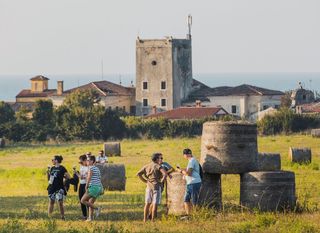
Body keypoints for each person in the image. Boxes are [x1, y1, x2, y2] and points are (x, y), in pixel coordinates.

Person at [137, 153, 169, 222]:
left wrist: (145, 181)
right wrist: (161, 181)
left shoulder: (147, 166)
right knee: (155, 204)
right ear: (156, 159)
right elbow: (165, 174)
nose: (161, 159)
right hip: (157, 187)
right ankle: (152, 220)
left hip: (148, 186)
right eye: (160, 158)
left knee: (147, 204)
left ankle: (144, 219)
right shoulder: (158, 166)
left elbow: (138, 174)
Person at [176, 148, 202, 217]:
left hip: (194, 182)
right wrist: (182, 169)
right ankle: (189, 215)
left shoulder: (192, 161)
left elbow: (189, 173)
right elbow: (191, 170)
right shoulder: (192, 160)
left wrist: (180, 171)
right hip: (190, 183)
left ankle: (197, 215)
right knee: (186, 200)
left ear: (185, 155)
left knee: (194, 201)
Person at [47, 155, 71, 220]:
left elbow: (68, 177)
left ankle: (62, 216)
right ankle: (49, 217)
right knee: (51, 201)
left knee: (60, 202)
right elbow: (50, 178)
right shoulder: (52, 168)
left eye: (53, 159)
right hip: (52, 187)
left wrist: (63, 177)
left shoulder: (62, 168)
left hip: (59, 188)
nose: (52, 161)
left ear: (56, 160)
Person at [81, 155, 103, 221]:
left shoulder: (91, 168)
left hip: (93, 187)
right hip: (98, 188)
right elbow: (99, 178)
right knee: (90, 203)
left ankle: (97, 208)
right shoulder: (97, 168)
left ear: (92, 161)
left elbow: (89, 178)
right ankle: (90, 218)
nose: (87, 161)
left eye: (88, 160)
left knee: (83, 200)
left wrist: (86, 185)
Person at [76, 154, 89, 220]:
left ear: (85, 160)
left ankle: (90, 216)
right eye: (80, 162)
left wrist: (83, 177)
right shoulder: (81, 167)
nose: (80, 163)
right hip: (81, 184)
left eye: (81, 162)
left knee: (86, 200)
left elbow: (89, 177)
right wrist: (77, 174)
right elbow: (80, 176)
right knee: (81, 200)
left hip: (87, 185)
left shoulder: (89, 167)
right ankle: (84, 216)